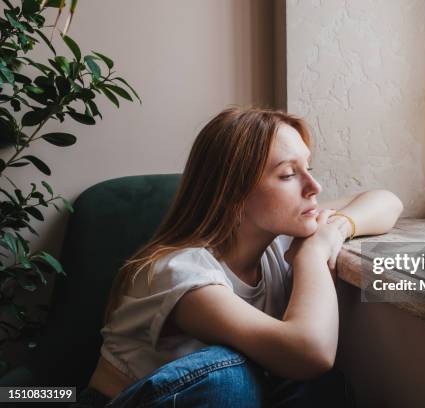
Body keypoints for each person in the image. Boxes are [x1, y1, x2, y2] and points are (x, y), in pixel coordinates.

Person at [73, 106, 404, 407]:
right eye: (289, 174)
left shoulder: (277, 236)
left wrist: (337, 229)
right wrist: (314, 255)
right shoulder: (181, 272)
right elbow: (310, 352)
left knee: (321, 388)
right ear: (233, 192)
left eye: (309, 167)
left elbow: (386, 201)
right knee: (228, 378)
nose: (314, 186)